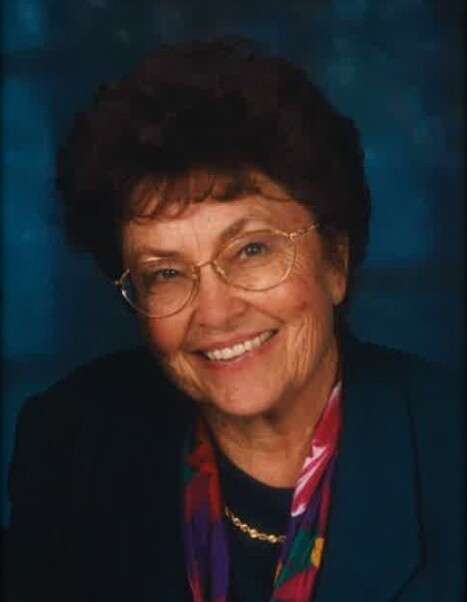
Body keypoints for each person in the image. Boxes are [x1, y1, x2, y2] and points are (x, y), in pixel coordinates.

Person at [6, 38, 464, 602]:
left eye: (251, 250)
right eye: (166, 273)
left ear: (335, 262)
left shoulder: (449, 454)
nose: (216, 313)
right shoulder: (71, 445)